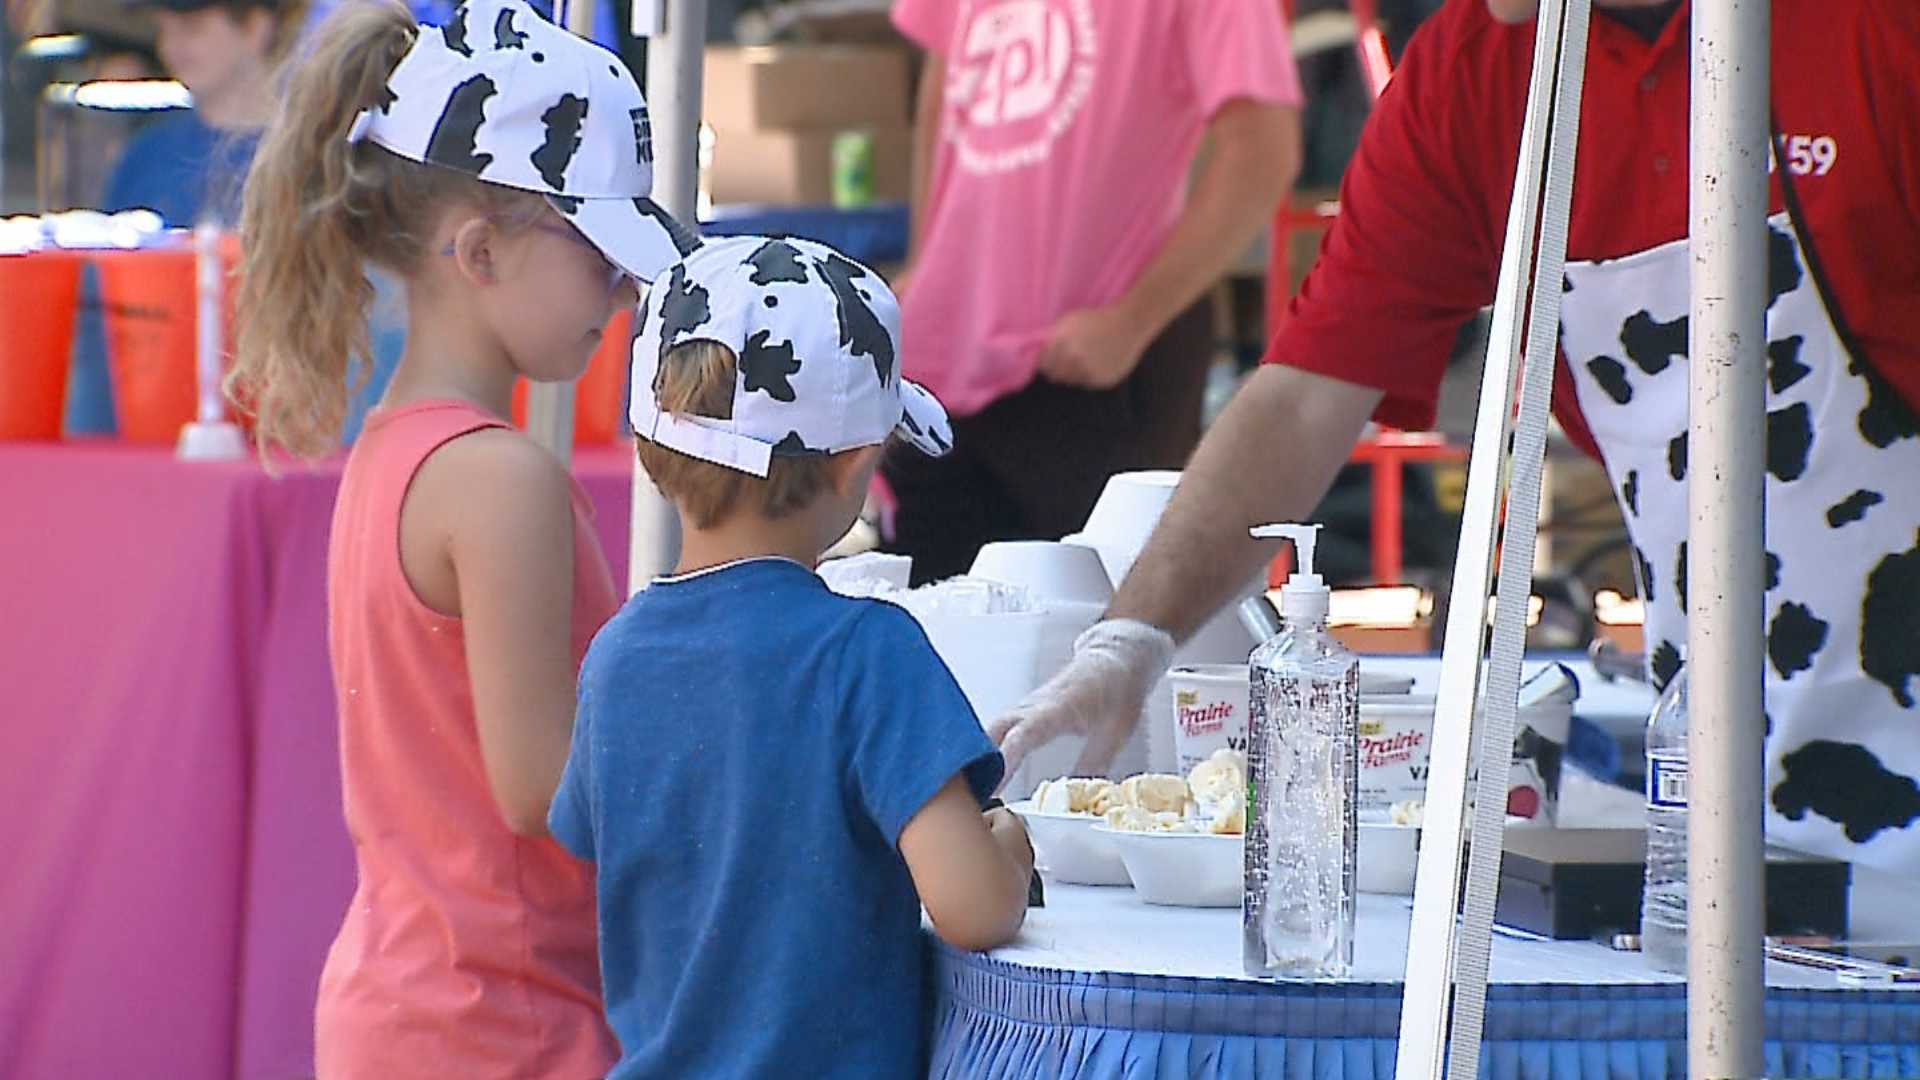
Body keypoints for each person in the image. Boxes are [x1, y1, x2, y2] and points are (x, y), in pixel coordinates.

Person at [990, 0, 1920, 877]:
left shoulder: (1873, 28)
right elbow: (1306, 394)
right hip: (1730, 803)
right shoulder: (1476, 77)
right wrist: (1130, 643)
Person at [225, 0, 699, 1073]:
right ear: (478, 250)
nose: (623, 296)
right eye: (599, 259)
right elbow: (543, 787)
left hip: (412, 1005)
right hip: (499, 1025)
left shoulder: (398, 452)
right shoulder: (499, 480)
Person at [550, 234, 1035, 1078]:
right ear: (853, 469)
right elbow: (974, 908)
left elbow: (594, 857)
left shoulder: (615, 656)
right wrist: (1011, 848)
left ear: (653, 452)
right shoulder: (869, 651)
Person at [877, 0, 1305, 584]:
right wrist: (932, 266)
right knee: (941, 636)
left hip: (1092, 365)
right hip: (949, 362)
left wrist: (1132, 320)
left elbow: (1264, 151)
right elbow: (943, 82)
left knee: (1099, 638)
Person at [104, 0, 310, 227]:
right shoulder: (144, 156)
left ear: (255, 29)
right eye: (163, 29)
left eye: (191, 28)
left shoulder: (309, 156)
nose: (170, 47)